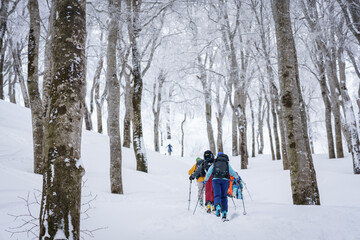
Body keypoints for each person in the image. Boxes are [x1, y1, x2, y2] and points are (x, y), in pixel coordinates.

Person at [204, 152, 240, 220]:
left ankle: (217, 206)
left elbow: (209, 172)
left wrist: (206, 180)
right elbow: (232, 172)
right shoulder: (226, 163)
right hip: (225, 180)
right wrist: (237, 177)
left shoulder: (215, 163)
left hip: (215, 180)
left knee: (217, 195)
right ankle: (224, 212)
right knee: (224, 196)